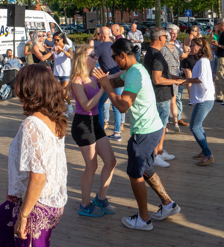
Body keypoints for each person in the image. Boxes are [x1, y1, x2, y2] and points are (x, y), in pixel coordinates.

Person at [92, 39, 181, 231]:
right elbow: (116, 80)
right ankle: (168, 204)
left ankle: (143, 219)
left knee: (135, 174)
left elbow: (123, 106)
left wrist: (107, 86)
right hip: (152, 128)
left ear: (122, 55)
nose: (114, 61)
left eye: (115, 58)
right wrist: (103, 80)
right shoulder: (135, 69)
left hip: (144, 132)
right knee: (145, 168)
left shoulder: (134, 75)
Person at [0, 65, 67, 246]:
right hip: (45, 199)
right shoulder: (54, 118)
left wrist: (24, 215)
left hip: (37, 204)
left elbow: (39, 177)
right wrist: (16, 188)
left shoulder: (32, 124)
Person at [69, 46, 117, 217]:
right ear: (83, 58)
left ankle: (100, 198)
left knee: (111, 161)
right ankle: (84, 205)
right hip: (83, 125)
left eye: (96, 55)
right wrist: (103, 88)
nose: (96, 58)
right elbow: (87, 105)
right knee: (92, 166)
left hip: (95, 123)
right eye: (93, 55)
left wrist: (129, 68)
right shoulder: (76, 81)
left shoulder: (94, 76)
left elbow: (115, 75)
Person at [144, 28, 184, 168]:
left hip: (160, 95)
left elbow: (159, 74)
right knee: (159, 127)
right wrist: (175, 81)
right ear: (160, 38)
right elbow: (157, 79)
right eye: (165, 36)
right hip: (161, 96)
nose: (167, 38)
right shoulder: (157, 55)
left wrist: (173, 77)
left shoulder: (151, 52)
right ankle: (154, 155)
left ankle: (159, 151)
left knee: (162, 125)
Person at [183, 37, 216, 166]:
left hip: (205, 99)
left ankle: (208, 154)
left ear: (201, 47)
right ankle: (204, 151)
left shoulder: (203, 61)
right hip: (204, 98)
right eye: (191, 45)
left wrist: (186, 80)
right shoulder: (201, 61)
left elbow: (200, 79)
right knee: (198, 126)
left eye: (193, 45)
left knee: (194, 127)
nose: (191, 47)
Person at [95, 27, 124, 134]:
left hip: (108, 79)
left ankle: (101, 132)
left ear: (102, 35)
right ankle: (117, 132)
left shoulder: (99, 47)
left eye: (99, 34)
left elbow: (93, 60)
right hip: (119, 78)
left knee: (99, 105)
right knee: (116, 106)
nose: (98, 36)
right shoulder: (115, 45)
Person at [167, 24, 190, 129]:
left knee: (178, 98)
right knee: (167, 99)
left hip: (177, 72)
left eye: (176, 33)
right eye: (172, 33)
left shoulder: (178, 43)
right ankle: (166, 121)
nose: (174, 35)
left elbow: (182, 57)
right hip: (167, 74)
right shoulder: (164, 44)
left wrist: (186, 51)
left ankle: (178, 118)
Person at [52, 31, 73, 108]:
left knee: (64, 93)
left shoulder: (67, 47)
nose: (56, 42)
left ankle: (69, 103)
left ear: (62, 39)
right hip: (56, 73)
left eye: (57, 40)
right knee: (57, 93)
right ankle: (63, 110)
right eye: (54, 40)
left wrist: (63, 50)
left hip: (66, 74)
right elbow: (52, 58)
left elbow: (71, 56)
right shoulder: (54, 47)